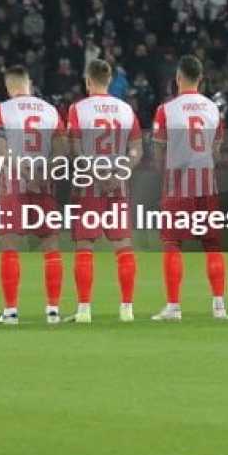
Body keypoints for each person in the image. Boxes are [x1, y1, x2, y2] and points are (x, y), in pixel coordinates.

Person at [63, 58, 142, 324]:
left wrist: (95, 172)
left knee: (85, 245)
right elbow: (137, 151)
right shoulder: (126, 110)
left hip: (88, 185)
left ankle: (84, 310)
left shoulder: (77, 109)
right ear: (109, 81)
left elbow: (74, 149)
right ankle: (127, 309)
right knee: (123, 246)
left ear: (88, 81)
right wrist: (120, 172)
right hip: (117, 185)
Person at [149, 55, 228, 321]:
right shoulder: (213, 109)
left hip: (177, 184)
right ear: (201, 80)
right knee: (212, 244)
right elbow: (217, 151)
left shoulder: (166, 110)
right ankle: (219, 306)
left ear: (178, 78)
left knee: (172, 243)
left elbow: (158, 151)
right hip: (207, 183)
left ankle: (173, 306)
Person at [0, 66, 65, 325]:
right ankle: (53, 311)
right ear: (29, 83)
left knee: (10, 245)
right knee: (50, 246)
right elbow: (61, 152)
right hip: (44, 186)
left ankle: (10, 312)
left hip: (14, 186)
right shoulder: (50, 111)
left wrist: (23, 172)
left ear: (9, 86)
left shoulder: (1, 110)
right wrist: (42, 175)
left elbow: (0, 150)